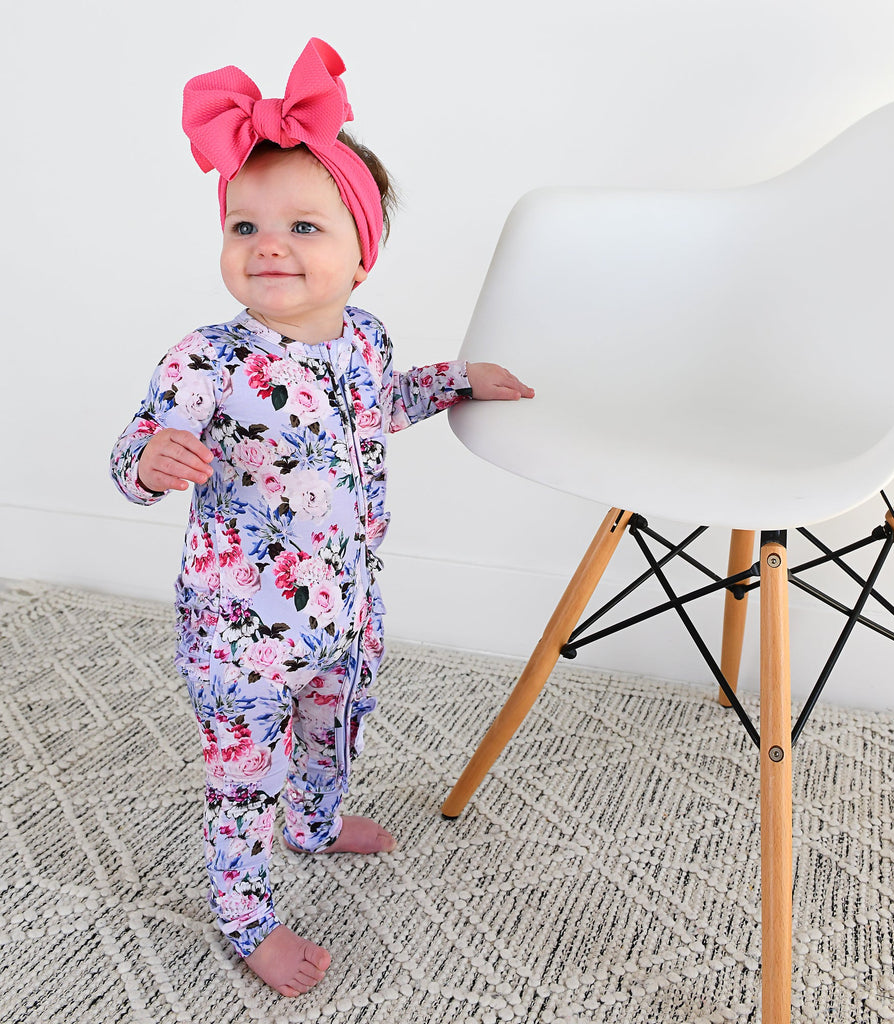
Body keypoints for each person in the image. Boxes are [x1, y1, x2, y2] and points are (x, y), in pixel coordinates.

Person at [110, 38, 533, 998]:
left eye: (303, 226)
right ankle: (247, 915)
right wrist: (148, 462)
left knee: (335, 728)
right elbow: (132, 451)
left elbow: (381, 403)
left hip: (346, 608)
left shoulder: (365, 340)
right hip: (240, 631)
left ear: (361, 256)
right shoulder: (207, 359)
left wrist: (458, 378)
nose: (268, 245)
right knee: (242, 778)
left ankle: (314, 820)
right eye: (245, 225)